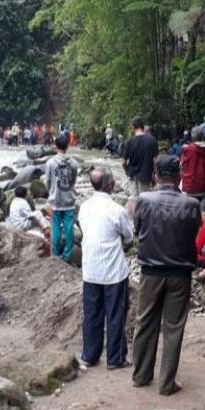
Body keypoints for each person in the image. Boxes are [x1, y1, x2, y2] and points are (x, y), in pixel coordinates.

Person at [132, 156, 201, 396]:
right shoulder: (191, 204)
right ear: (179, 175)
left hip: (150, 271)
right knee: (173, 327)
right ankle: (166, 383)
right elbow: (193, 232)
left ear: (155, 175)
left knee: (145, 322)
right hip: (180, 273)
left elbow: (138, 231)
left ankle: (141, 376)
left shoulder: (143, 200)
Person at [77, 169, 134, 370]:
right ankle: (115, 357)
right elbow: (128, 236)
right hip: (113, 270)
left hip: (91, 268)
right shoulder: (116, 210)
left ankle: (90, 355)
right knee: (115, 313)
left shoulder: (84, 207)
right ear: (110, 185)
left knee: (92, 313)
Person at [45, 134, 79, 262]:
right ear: (68, 145)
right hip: (69, 199)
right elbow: (74, 180)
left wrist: (51, 192)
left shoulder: (50, 163)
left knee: (56, 228)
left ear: (55, 145)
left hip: (56, 200)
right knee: (69, 228)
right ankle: (67, 255)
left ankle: (55, 254)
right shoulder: (74, 163)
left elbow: (47, 181)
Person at [122, 117, 159, 200]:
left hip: (132, 177)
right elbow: (155, 161)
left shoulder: (129, 142)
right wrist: (156, 175)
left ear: (133, 127)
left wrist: (127, 171)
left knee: (134, 202)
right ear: (143, 126)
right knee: (145, 202)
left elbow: (123, 162)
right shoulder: (152, 141)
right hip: (146, 177)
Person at [180, 127, 205, 202]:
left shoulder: (189, 149)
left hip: (191, 185)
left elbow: (182, 165)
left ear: (192, 137)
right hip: (203, 184)